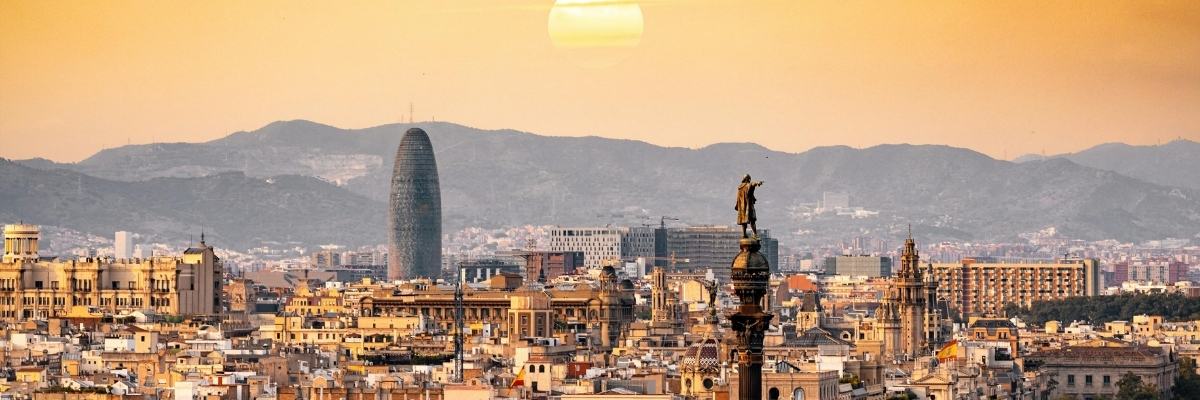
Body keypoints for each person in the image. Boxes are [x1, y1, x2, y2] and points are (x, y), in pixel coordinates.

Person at [735, 174, 764, 239]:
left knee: (743, 221)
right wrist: (758, 183)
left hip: (742, 207)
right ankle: (755, 235)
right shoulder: (748, 185)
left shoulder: (740, 188)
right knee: (753, 219)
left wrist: (737, 205)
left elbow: (737, 198)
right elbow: (752, 184)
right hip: (749, 206)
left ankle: (744, 234)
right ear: (747, 179)